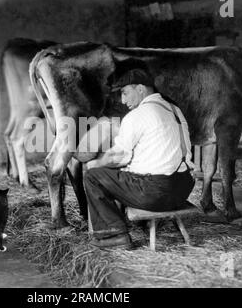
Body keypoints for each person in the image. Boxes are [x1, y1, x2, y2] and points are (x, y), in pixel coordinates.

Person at [83, 68, 195, 249]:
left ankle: (114, 235)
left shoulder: (137, 115)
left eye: (125, 93)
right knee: (132, 171)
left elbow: (117, 156)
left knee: (93, 176)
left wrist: (96, 163)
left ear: (141, 89)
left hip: (155, 194)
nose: (123, 100)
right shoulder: (175, 109)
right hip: (183, 188)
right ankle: (134, 224)